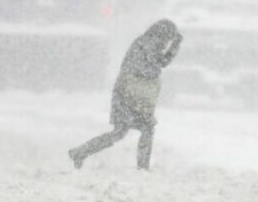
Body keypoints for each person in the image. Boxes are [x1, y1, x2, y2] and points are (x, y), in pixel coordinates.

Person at [69, 19, 182, 170]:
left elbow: (160, 63)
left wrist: (174, 47)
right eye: (169, 38)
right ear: (163, 34)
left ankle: (80, 152)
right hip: (129, 95)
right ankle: (142, 167)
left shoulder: (146, 43)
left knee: (122, 132)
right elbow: (153, 66)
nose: (168, 41)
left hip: (129, 94)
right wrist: (173, 48)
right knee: (141, 129)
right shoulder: (147, 44)